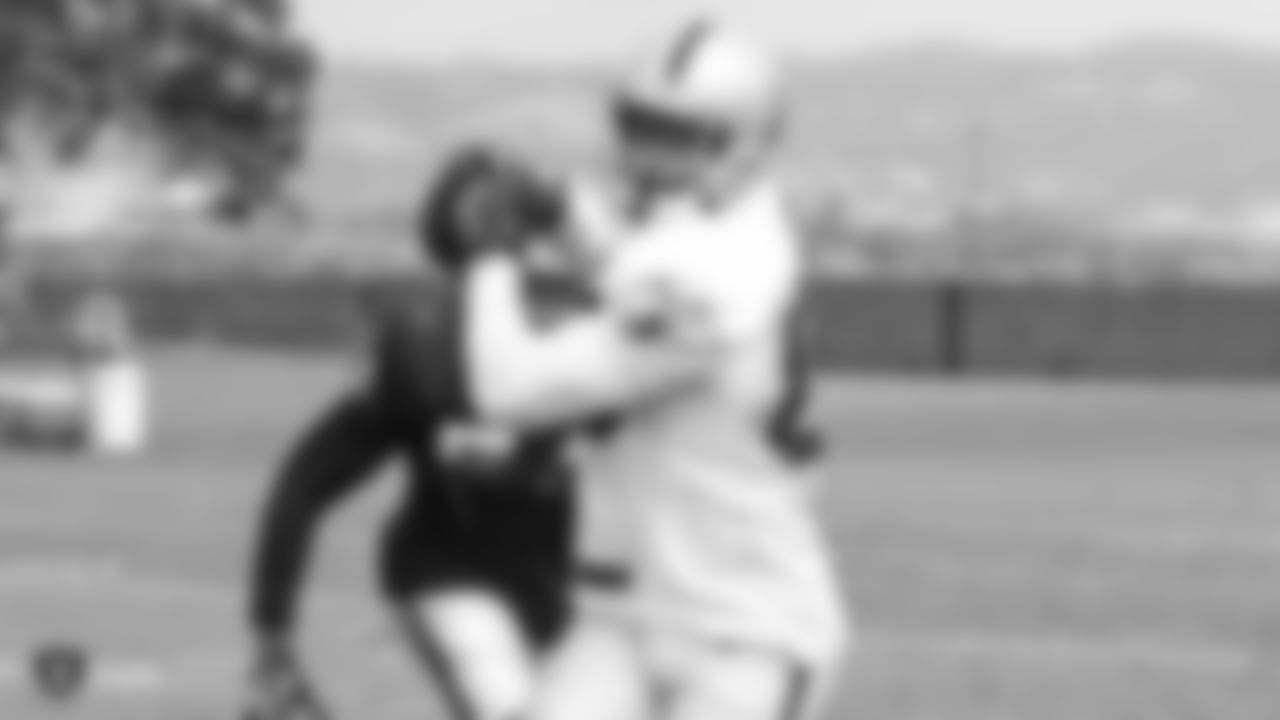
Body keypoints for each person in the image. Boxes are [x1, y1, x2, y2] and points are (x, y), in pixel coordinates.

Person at [459, 19, 847, 720]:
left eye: (678, 138)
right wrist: (553, 210)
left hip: (745, 630)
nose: (646, 157)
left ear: (748, 147)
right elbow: (628, 256)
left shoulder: (718, 276)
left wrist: (492, 258)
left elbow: (509, 391)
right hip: (629, 615)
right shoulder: (706, 235)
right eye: (638, 127)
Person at [242, 146, 592, 720]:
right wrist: (271, 634)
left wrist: (269, 631)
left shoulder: (593, 334)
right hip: (449, 577)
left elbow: (300, 486)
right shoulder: (423, 345)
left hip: (566, 595)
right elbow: (305, 483)